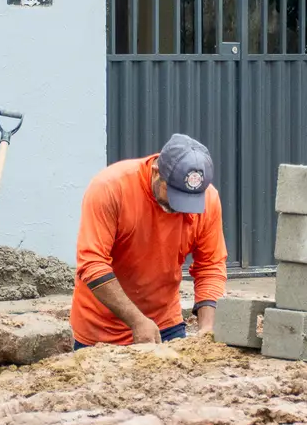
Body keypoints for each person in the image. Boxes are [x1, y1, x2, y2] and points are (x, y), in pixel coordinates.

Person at [71, 133, 227, 348]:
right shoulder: (111, 187)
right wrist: (137, 320)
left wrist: (207, 328)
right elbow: (92, 263)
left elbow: (210, 266)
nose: (180, 208)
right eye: (174, 195)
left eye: (188, 200)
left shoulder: (208, 199)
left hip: (166, 324)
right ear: (156, 172)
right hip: (101, 330)